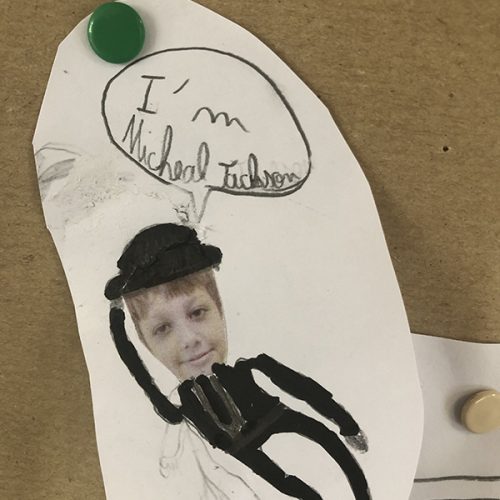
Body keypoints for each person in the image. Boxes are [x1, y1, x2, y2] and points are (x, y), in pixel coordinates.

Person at [105, 223, 371, 500]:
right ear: (145, 343)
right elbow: (136, 368)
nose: (189, 340)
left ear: (219, 309)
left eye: (197, 313)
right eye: (162, 329)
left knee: (326, 438)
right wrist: (116, 318)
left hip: (271, 417)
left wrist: (347, 425)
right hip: (240, 448)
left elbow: (301, 387)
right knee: (289, 483)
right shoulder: (182, 406)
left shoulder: (247, 368)